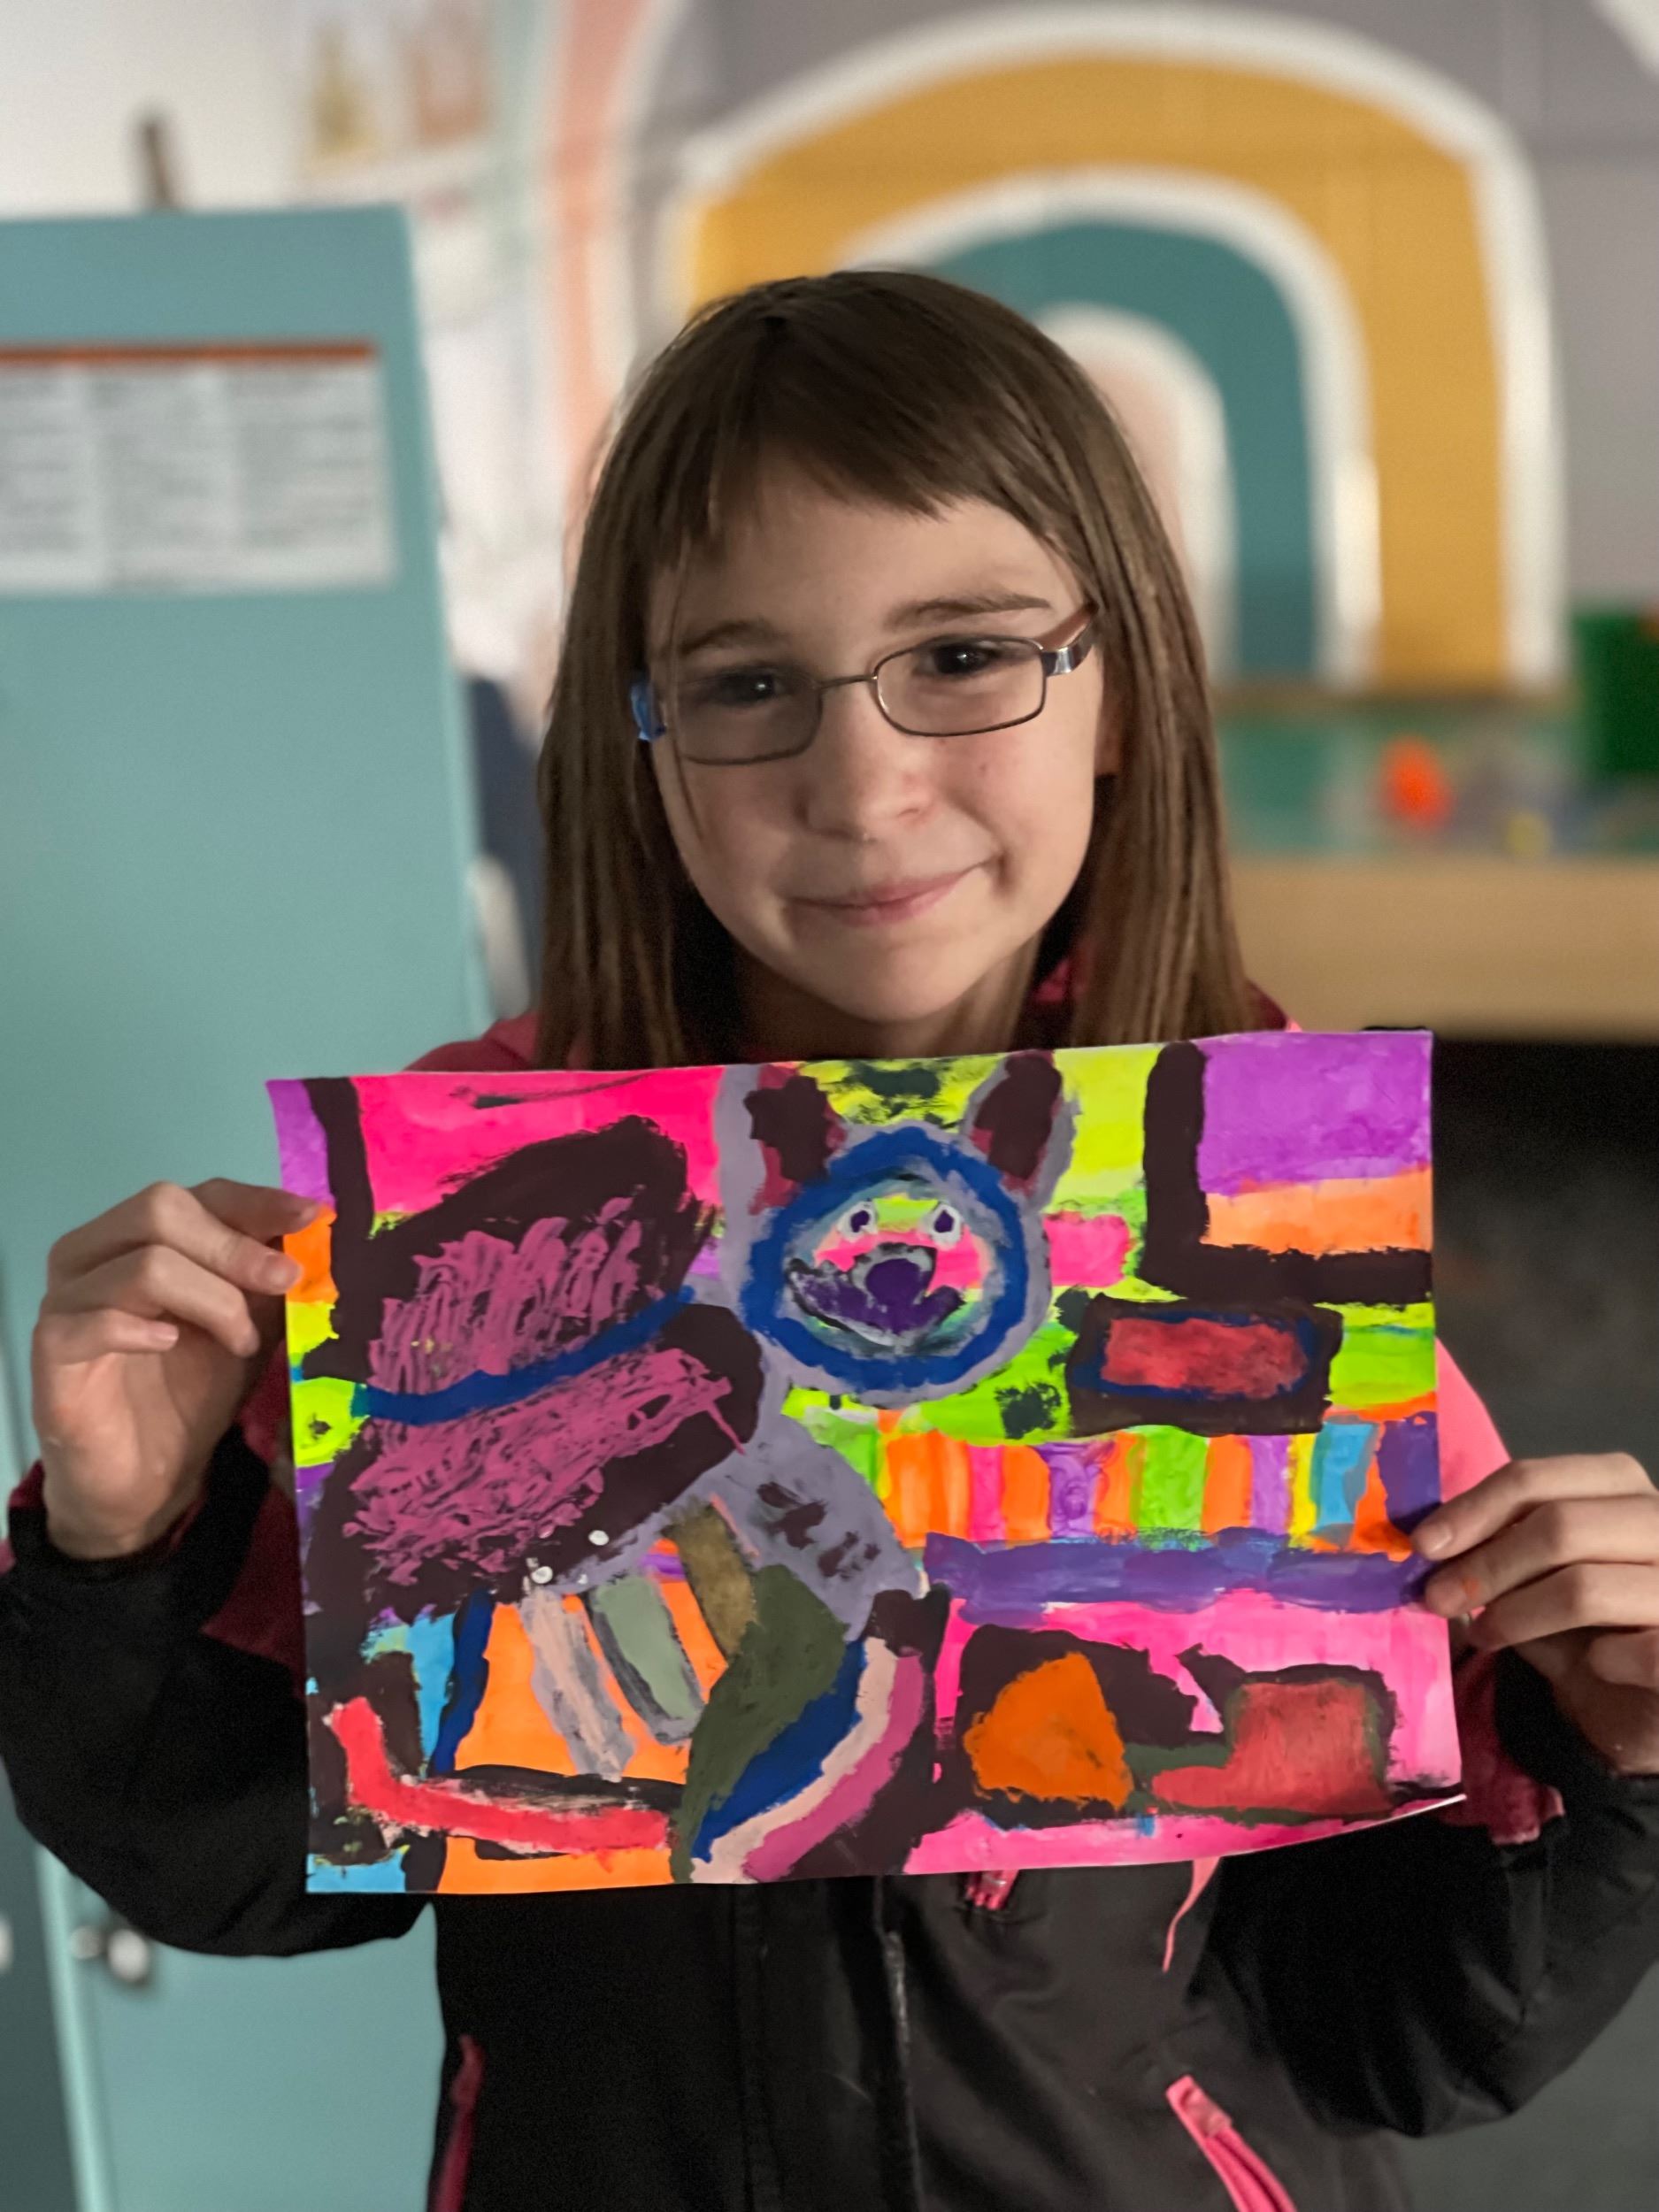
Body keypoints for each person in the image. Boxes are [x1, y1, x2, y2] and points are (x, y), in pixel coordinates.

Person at [4, 273, 1658, 2212]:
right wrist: (123, 1541)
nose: (864, 786)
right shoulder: (482, 1251)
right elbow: (243, 1874)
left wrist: (1613, 1755)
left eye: (961, 654)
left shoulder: (1260, 1239)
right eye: (746, 684)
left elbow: (1404, 2032)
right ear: (639, 738)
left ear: (1119, 689)